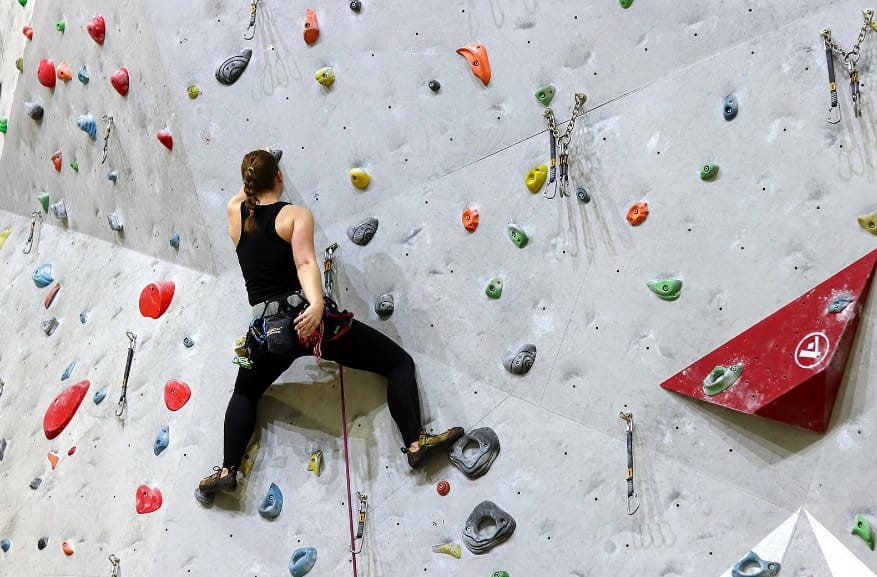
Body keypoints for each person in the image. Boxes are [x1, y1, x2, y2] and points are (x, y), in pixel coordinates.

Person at [197, 149, 464, 498]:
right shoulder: (294, 216)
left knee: (245, 392)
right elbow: (306, 263)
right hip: (308, 322)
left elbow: (240, 195)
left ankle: (227, 469)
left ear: (247, 182)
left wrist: (257, 173)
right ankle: (415, 444)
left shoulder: (236, 214)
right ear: (279, 177)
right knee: (398, 362)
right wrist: (318, 303)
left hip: (266, 333)